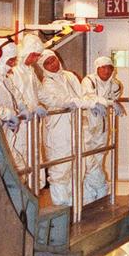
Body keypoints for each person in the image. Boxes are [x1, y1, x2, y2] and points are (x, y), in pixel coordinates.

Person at [37, 52, 90, 206]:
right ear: (43, 67)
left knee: (78, 164)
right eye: (47, 63)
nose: (53, 64)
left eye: (53, 60)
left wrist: (89, 102)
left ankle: (75, 202)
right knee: (60, 167)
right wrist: (86, 103)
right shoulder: (46, 83)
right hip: (58, 129)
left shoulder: (69, 76)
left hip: (75, 125)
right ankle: (61, 205)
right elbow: (62, 101)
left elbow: (81, 95)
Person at [81, 55, 125, 203]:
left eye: (109, 68)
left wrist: (110, 102)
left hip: (103, 126)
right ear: (97, 69)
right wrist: (107, 103)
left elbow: (114, 96)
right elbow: (88, 97)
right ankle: (98, 190)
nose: (106, 71)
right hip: (87, 126)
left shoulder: (115, 84)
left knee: (99, 158)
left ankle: (93, 195)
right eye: (103, 68)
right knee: (88, 160)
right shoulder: (89, 81)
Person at [0, 41, 26, 170]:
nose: (13, 64)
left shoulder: (5, 78)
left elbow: (15, 93)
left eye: (14, 60)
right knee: (8, 167)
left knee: (17, 166)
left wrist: (23, 107)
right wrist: (8, 114)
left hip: (8, 131)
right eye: (10, 60)